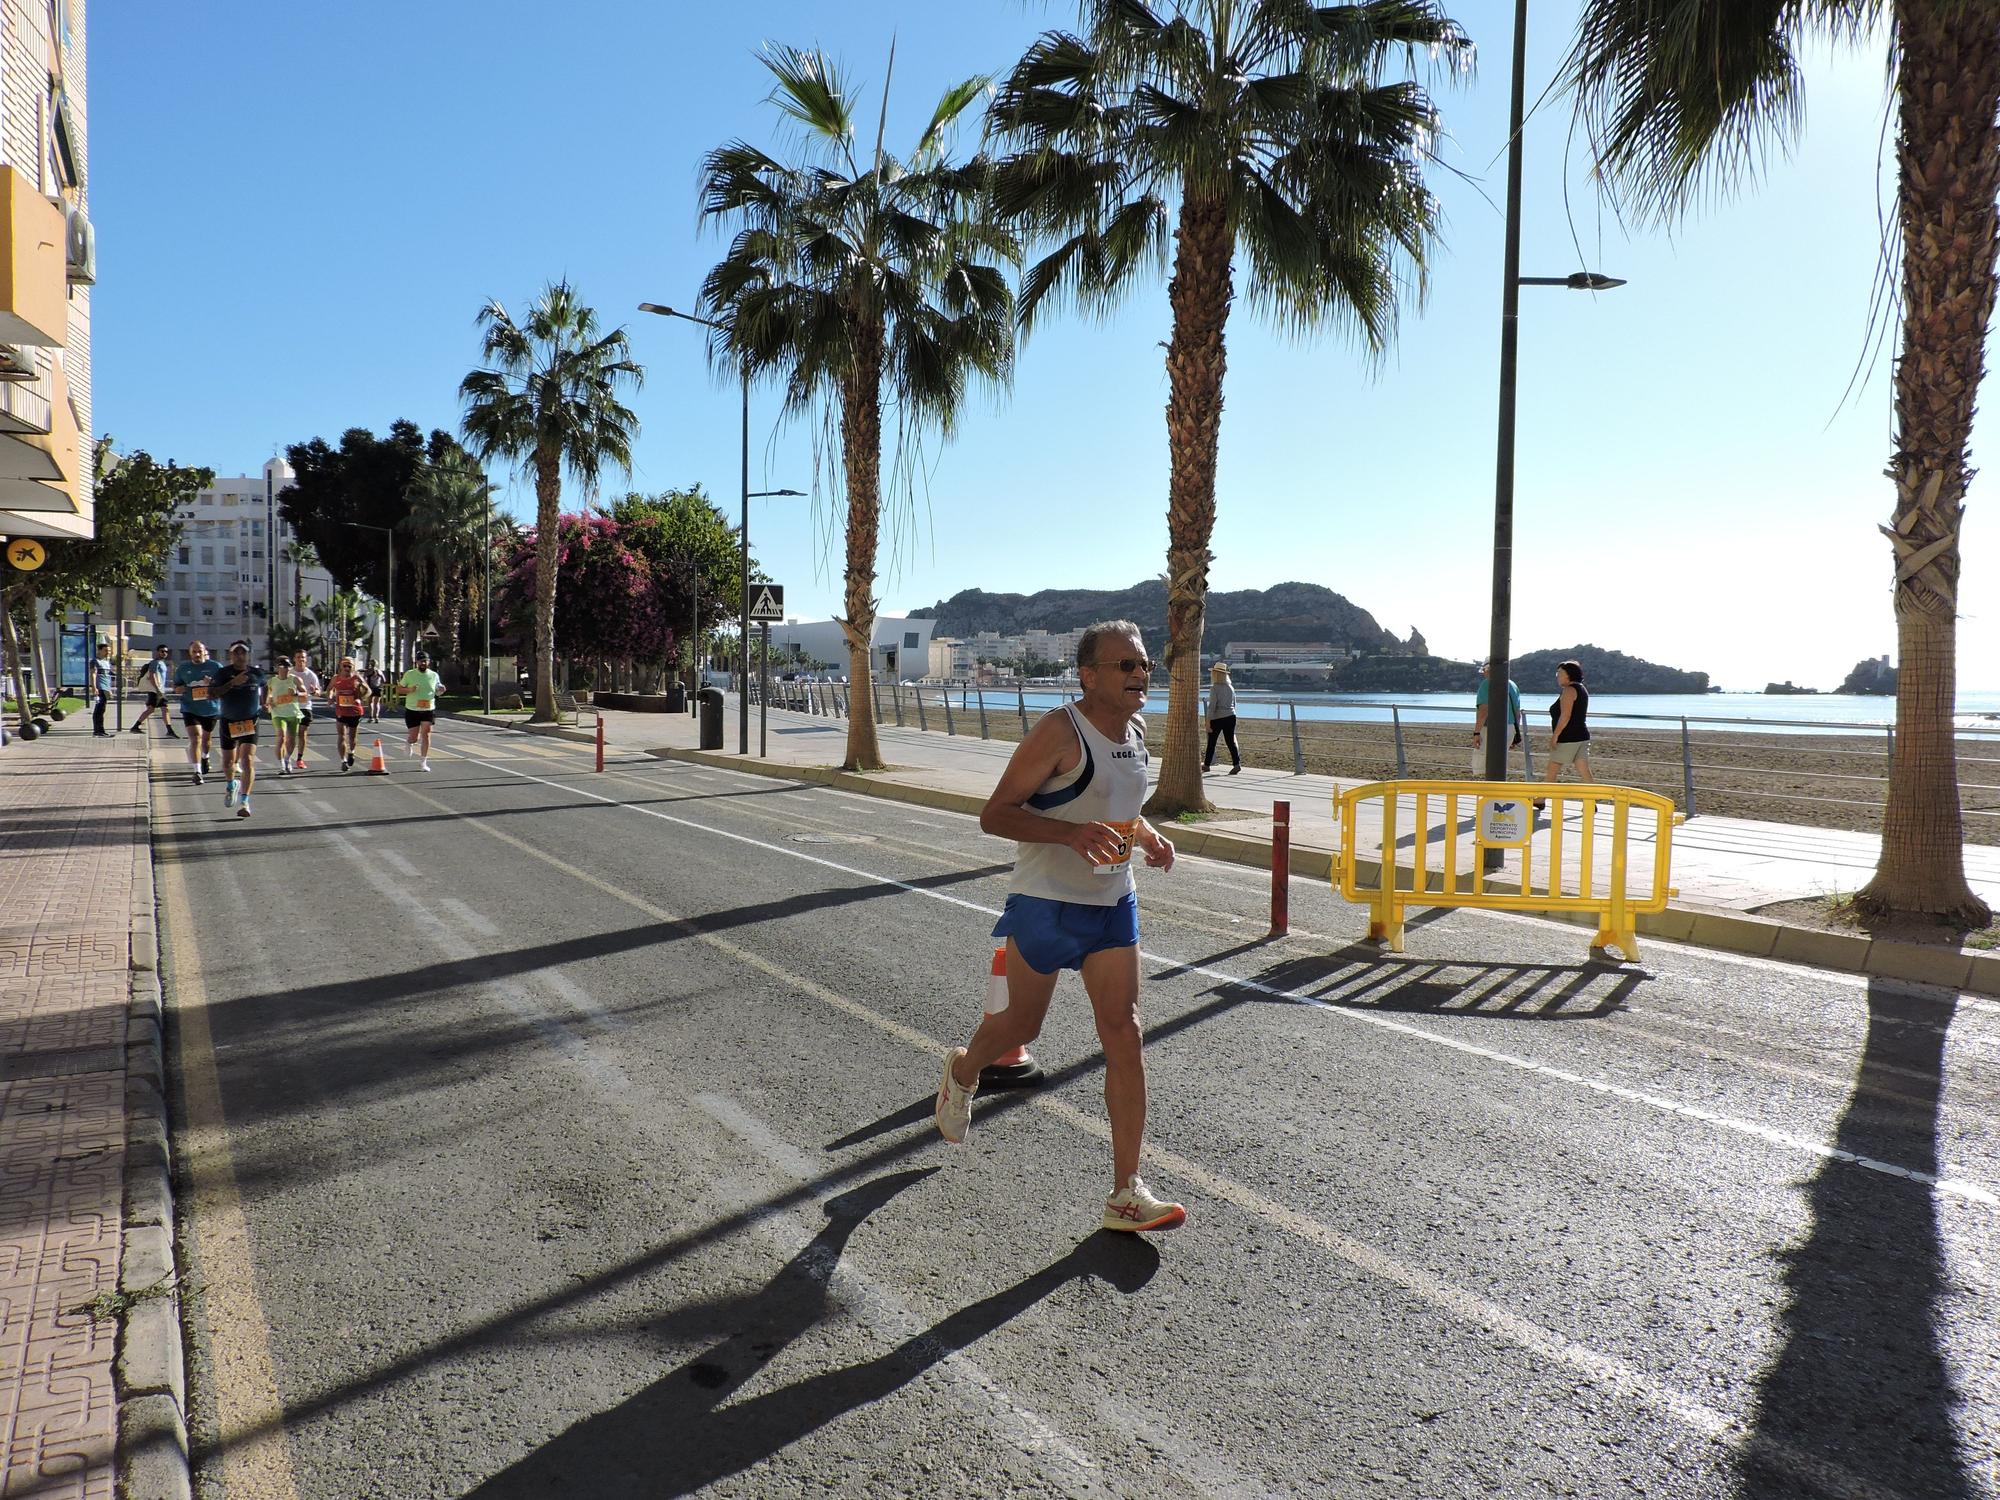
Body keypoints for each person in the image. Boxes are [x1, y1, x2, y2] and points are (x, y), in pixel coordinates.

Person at [934, 620, 1186, 1234]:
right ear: (1089, 675)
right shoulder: (1058, 731)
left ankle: (1125, 1190)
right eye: (1125, 666)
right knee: (1022, 1024)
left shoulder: (1138, 733)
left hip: (1111, 903)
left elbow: (1125, 808)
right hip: (1046, 900)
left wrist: (1151, 839)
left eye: (1145, 665)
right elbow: (995, 815)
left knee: (1124, 1032)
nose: (1139, 675)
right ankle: (964, 1071)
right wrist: (1069, 834)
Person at [209, 643, 266, 817]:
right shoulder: (222, 673)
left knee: (247, 760)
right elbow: (211, 694)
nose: (240, 656)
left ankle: (245, 802)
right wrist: (232, 683)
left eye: (243, 653)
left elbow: (264, 685)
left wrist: (265, 702)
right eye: (236, 653)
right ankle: (231, 784)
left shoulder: (256, 673)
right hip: (228, 721)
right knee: (228, 763)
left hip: (250, 721)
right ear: (230, 656)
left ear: (248, 655)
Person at [1536, 659, 1593, 811]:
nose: (1557, 676)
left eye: (1560, 673)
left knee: (1552, 769)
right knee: (1583, 769)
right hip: (1581, 735)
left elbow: (1565, 716)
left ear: (1568, 675)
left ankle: (1541, 799)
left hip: (1569, 737)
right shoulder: (1581, 689)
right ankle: (1591, 801)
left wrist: (1555, 736)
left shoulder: (1569, 690)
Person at [173, 641, 222, 783]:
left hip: (210, 708)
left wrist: (212, 683)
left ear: (205, 651)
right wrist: (178, 689)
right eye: (194, 652)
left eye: (199, 651)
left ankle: (205, 757)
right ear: (190, 653)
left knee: (206, 740)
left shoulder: (215, 667)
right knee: (196, 738)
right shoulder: (183, 668)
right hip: (190, 708)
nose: (197, 654)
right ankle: (197, 771)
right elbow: (176, 686)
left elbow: (224, 685)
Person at [1471, 662, 1523, 774]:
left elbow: (1483, 711)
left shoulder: (1487, 684)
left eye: (1484, 670)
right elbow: (1517, 713)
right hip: (1509, 728)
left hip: (1490, 728)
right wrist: (1515, 732)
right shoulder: (1513, 685)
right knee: (1500, 763)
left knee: (1482, 763)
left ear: (1488, 669)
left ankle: (1484, 790)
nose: (1483, 673)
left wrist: (1476, 733)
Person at [397, 650, 443, 771]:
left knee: (426, 734)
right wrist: (410, 690)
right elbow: (399, 689)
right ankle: (409, 743)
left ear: (429, 662)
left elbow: (438, 690)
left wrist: (441, 690)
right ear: (416, 662)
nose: (423, 663)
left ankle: (423, 762)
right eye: (421, 661)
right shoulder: (409, 674)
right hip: (412, 709)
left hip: (428, 708)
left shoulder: (434, 675)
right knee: (414, 737)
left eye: (425, 661)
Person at [328, 656, 369, 770]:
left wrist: (361, 698)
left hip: (354, 711)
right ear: (340, 666)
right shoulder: (336, 678)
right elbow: (330, 689)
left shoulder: (357, 678)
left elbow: (368, 690)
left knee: (352, 737)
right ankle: (343, 761)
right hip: (340, 710)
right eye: (344, 666)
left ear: (353, 667)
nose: (346, 668)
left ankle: (351, 752)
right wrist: (330, 698)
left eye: (349, 666)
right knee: (341, 736)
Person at [267, 658, 305, 775]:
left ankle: (287, 758)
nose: (287, 669)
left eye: (289, 666)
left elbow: (304, 694)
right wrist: (269, 702)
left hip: (293, 712)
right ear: (278, 667)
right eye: (284, 666)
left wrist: (295, 693)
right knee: (281, 737)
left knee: (291, 740)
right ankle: (281, 764)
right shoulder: (272, 681)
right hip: (278, 713)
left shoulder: (295, 679)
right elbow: (269, 695)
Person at [1203, 660, 1241, 775]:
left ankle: (1207, 764)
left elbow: (1212, 706)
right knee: (1230, 741)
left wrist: (1208, 721)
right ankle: (1236, 763)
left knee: (1212, 742)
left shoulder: (1215, 688)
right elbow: (1234, 703)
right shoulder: (1231, 687)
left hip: (1218, 717)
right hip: (1231, 716)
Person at [131, 645, 177, 737]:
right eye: (162, 651)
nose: (164, 653)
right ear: (157, 652)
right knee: (162, 709)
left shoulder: (162, 663)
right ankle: (169, 730)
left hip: (159, 690)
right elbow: (152, 676)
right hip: (156, 690)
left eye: (166, 651)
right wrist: (157, 690)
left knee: (154, 709)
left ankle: (136, 726)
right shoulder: (155, 663)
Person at [291, 652, 321, 771]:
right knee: (290, 735)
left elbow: (318, 692)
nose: (300, 659)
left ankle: (299, 758)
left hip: (305, 707)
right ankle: (287, 757)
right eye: (298, 657)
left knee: (302, 733)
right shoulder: (290, 673)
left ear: (306, 659)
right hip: (291, 707)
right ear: (294, 659)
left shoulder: (311, 675)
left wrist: (314, 692)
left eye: (302, 657)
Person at [88, 642, 114, 736]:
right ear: (99, 651)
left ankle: (100, 730)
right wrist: (94, 687)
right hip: (100, 687)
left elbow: (108, 677)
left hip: (106, 688)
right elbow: (93, 674)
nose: (108, 652)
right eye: (106, 650)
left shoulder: (107, 662)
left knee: (102, 709)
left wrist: (109, 689)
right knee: (99, 708)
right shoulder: (95, 661)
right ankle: (98, 730)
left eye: (109, 651)